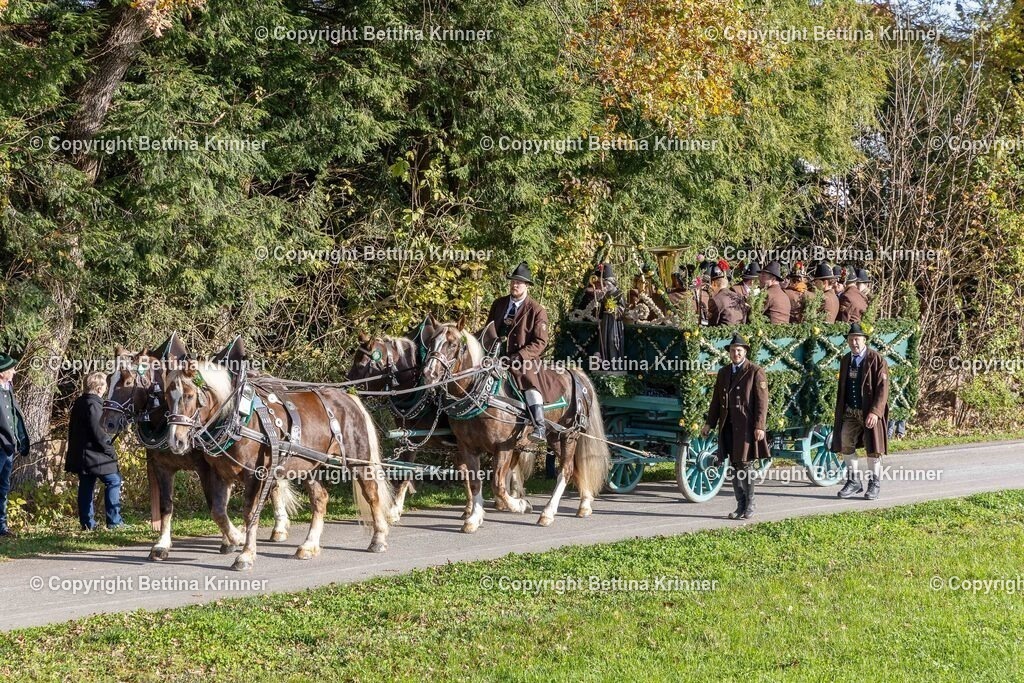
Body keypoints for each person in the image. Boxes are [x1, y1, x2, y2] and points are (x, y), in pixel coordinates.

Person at [701, 334, 770, 520]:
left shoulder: (755, 371)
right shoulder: (724, 372)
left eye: (739, 351)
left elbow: (762, 402)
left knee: (745, 465)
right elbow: (716, 401)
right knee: (733, 465)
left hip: (747, 427)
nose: (735, 354)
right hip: (728, 426)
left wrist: (759, 426)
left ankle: (750, 503)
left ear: (745, 352)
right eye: (732, 351)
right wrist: (710, 423)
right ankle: (740, 505)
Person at [485, 262, 551, 442]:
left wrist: (519, 356)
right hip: (495, 356)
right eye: (513, 281)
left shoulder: (537, 311)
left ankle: (539, 426)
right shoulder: (498, 304)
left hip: (524, 359)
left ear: (527, 286)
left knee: (529, 381)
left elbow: (540, 342)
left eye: (519, 283)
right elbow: (488, 330)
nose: (515, 285)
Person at [833, 323, 890, 501]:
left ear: (864, 340)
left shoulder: (876, 359)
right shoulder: (845, 360)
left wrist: (875, 412)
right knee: (845, 443)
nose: (854, 343)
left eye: (857, 339)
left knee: (873, 449)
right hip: (850, 411)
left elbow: (883, 388)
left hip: (869, 412)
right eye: (851, 340)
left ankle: (874, 483)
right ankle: (854, 481)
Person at [65, 372, 124, 530]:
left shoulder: (80, 402)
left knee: (86, 485)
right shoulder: (94, 404)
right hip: (95, 455)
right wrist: (110, 451)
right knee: (113, 480)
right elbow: (99, 432)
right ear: (99, 388)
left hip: (82, 455)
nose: (106, 389)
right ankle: (114, 521)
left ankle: (87, 523)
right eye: (105, 386)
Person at [0, 354, 30, 537]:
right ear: (2, 372)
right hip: (1, 446)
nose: (14, 371)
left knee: (3, 488)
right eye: (11, 369)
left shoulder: (8, 388)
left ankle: (1, 527)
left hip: (8, 447)